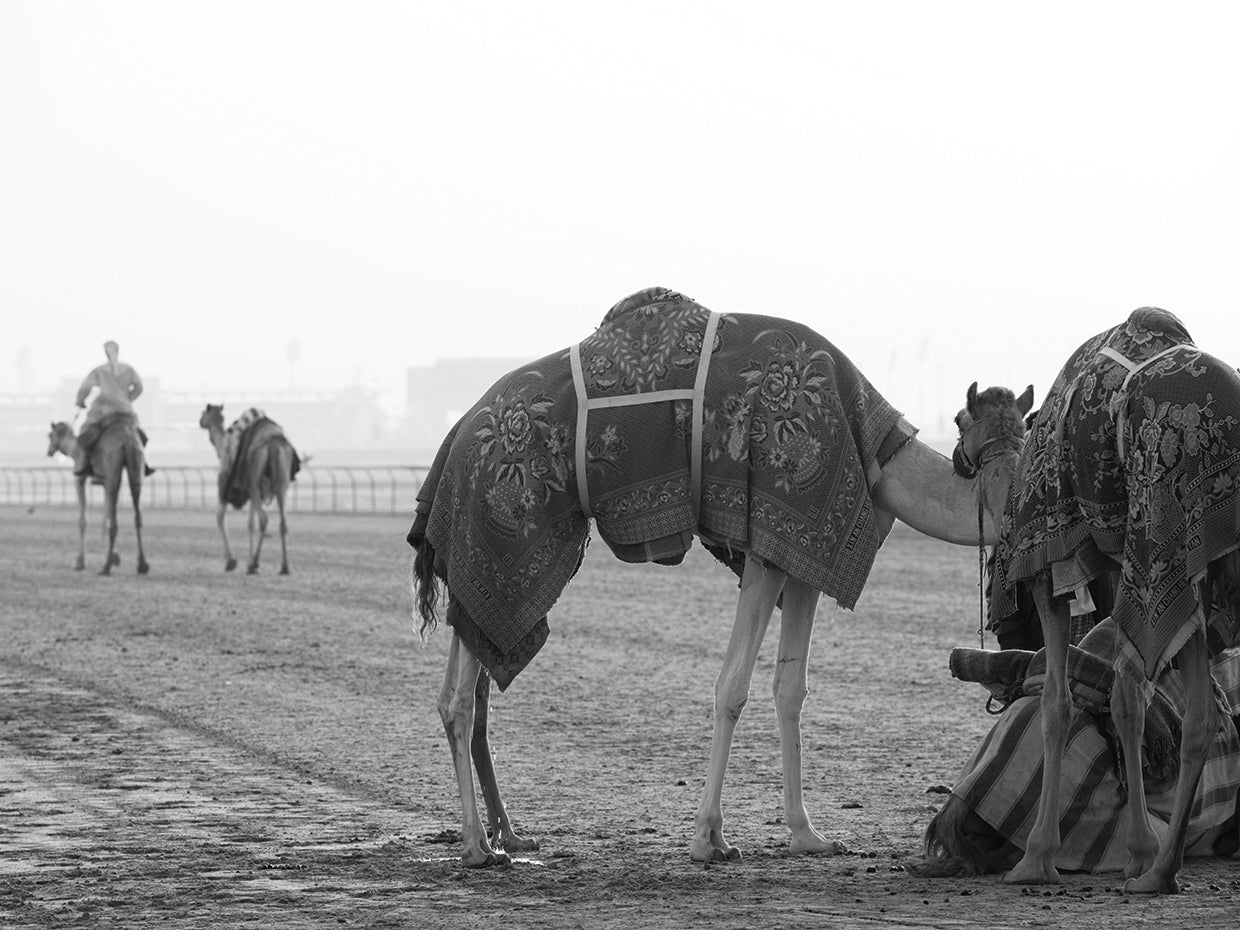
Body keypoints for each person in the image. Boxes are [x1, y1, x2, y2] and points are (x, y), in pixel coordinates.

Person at [73, 340, 155, 477]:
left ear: (106, 353)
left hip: (104, 412)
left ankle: (85, 464)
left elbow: (85, 388)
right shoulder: (128, 369)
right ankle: (144, 464)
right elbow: (139, 387)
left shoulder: (99, 371)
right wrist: (127, 399)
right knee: (138, 434)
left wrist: (80, 401)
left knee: (85, 433)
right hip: (125, 412)